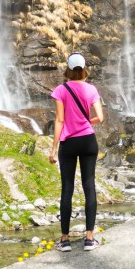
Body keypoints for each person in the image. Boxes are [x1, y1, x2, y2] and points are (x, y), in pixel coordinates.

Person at [49, 52, 104, 251]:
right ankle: (89, 238)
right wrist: (84, 123)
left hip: (69, 142)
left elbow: (60, 121)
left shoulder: (61, 90)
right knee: (89, 186)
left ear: (69, 70)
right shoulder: (91, 89)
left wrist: (53, 149)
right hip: (88, 141)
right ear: (84, 68)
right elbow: (100, 117)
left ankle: (64, 240)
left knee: (67, 188)